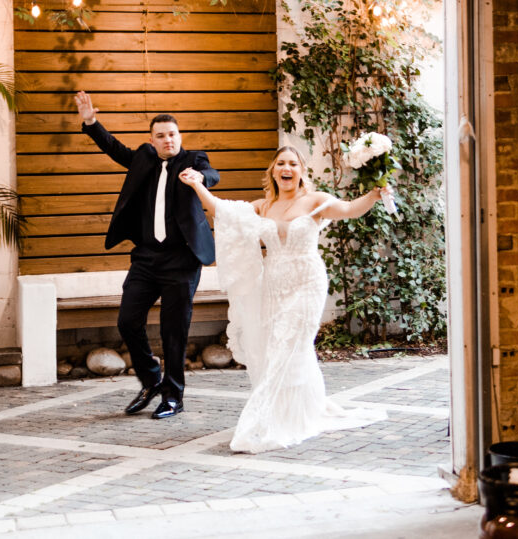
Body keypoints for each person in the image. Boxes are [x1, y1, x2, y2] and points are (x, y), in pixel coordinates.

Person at [179, 145, 391, 453]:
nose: (286, 168)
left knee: (288, 346)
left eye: (293, 163)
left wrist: (373, 194)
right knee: (282, 349)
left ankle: (264, 420)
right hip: (274, 287)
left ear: (302, 171)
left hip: (307, 283)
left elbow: (348, 210)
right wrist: (197, 184)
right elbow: (221, 210)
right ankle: (298, 411)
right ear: (274, 171)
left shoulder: (315, 201)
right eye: (281, 163)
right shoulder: (263, 206)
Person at [74, 91, 219, 419]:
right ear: (151, 140)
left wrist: (199, 179)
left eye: (173, 134)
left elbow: (212, 175)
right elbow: (114, 148)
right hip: (146, 258)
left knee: (174, 330)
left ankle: (173, 396)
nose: (168, 140)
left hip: (182, 260)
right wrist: (90, 122)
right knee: (127, 321)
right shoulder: (143, 158)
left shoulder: (194, 161)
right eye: (161, 136)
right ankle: (151, 380)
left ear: (179, 136)